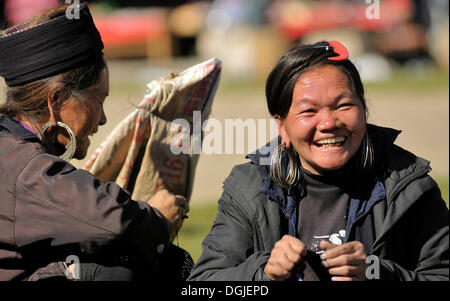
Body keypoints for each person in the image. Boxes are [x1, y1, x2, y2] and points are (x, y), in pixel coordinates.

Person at [188, 41, 449, 281]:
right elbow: (203, 284)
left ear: (364, 110)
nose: (328, 123)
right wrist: (264, 273)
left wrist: (376, 272)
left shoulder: (409, 187)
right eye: (309, 111)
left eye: (343, 105)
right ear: (282, 127)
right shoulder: (249, 189)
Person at [0, 3, 189, 281]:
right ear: (57, 100)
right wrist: (158, 218)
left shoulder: (10, 147)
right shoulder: (29, 171)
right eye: (97, 100)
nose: (101, 119)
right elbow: (114, 223)